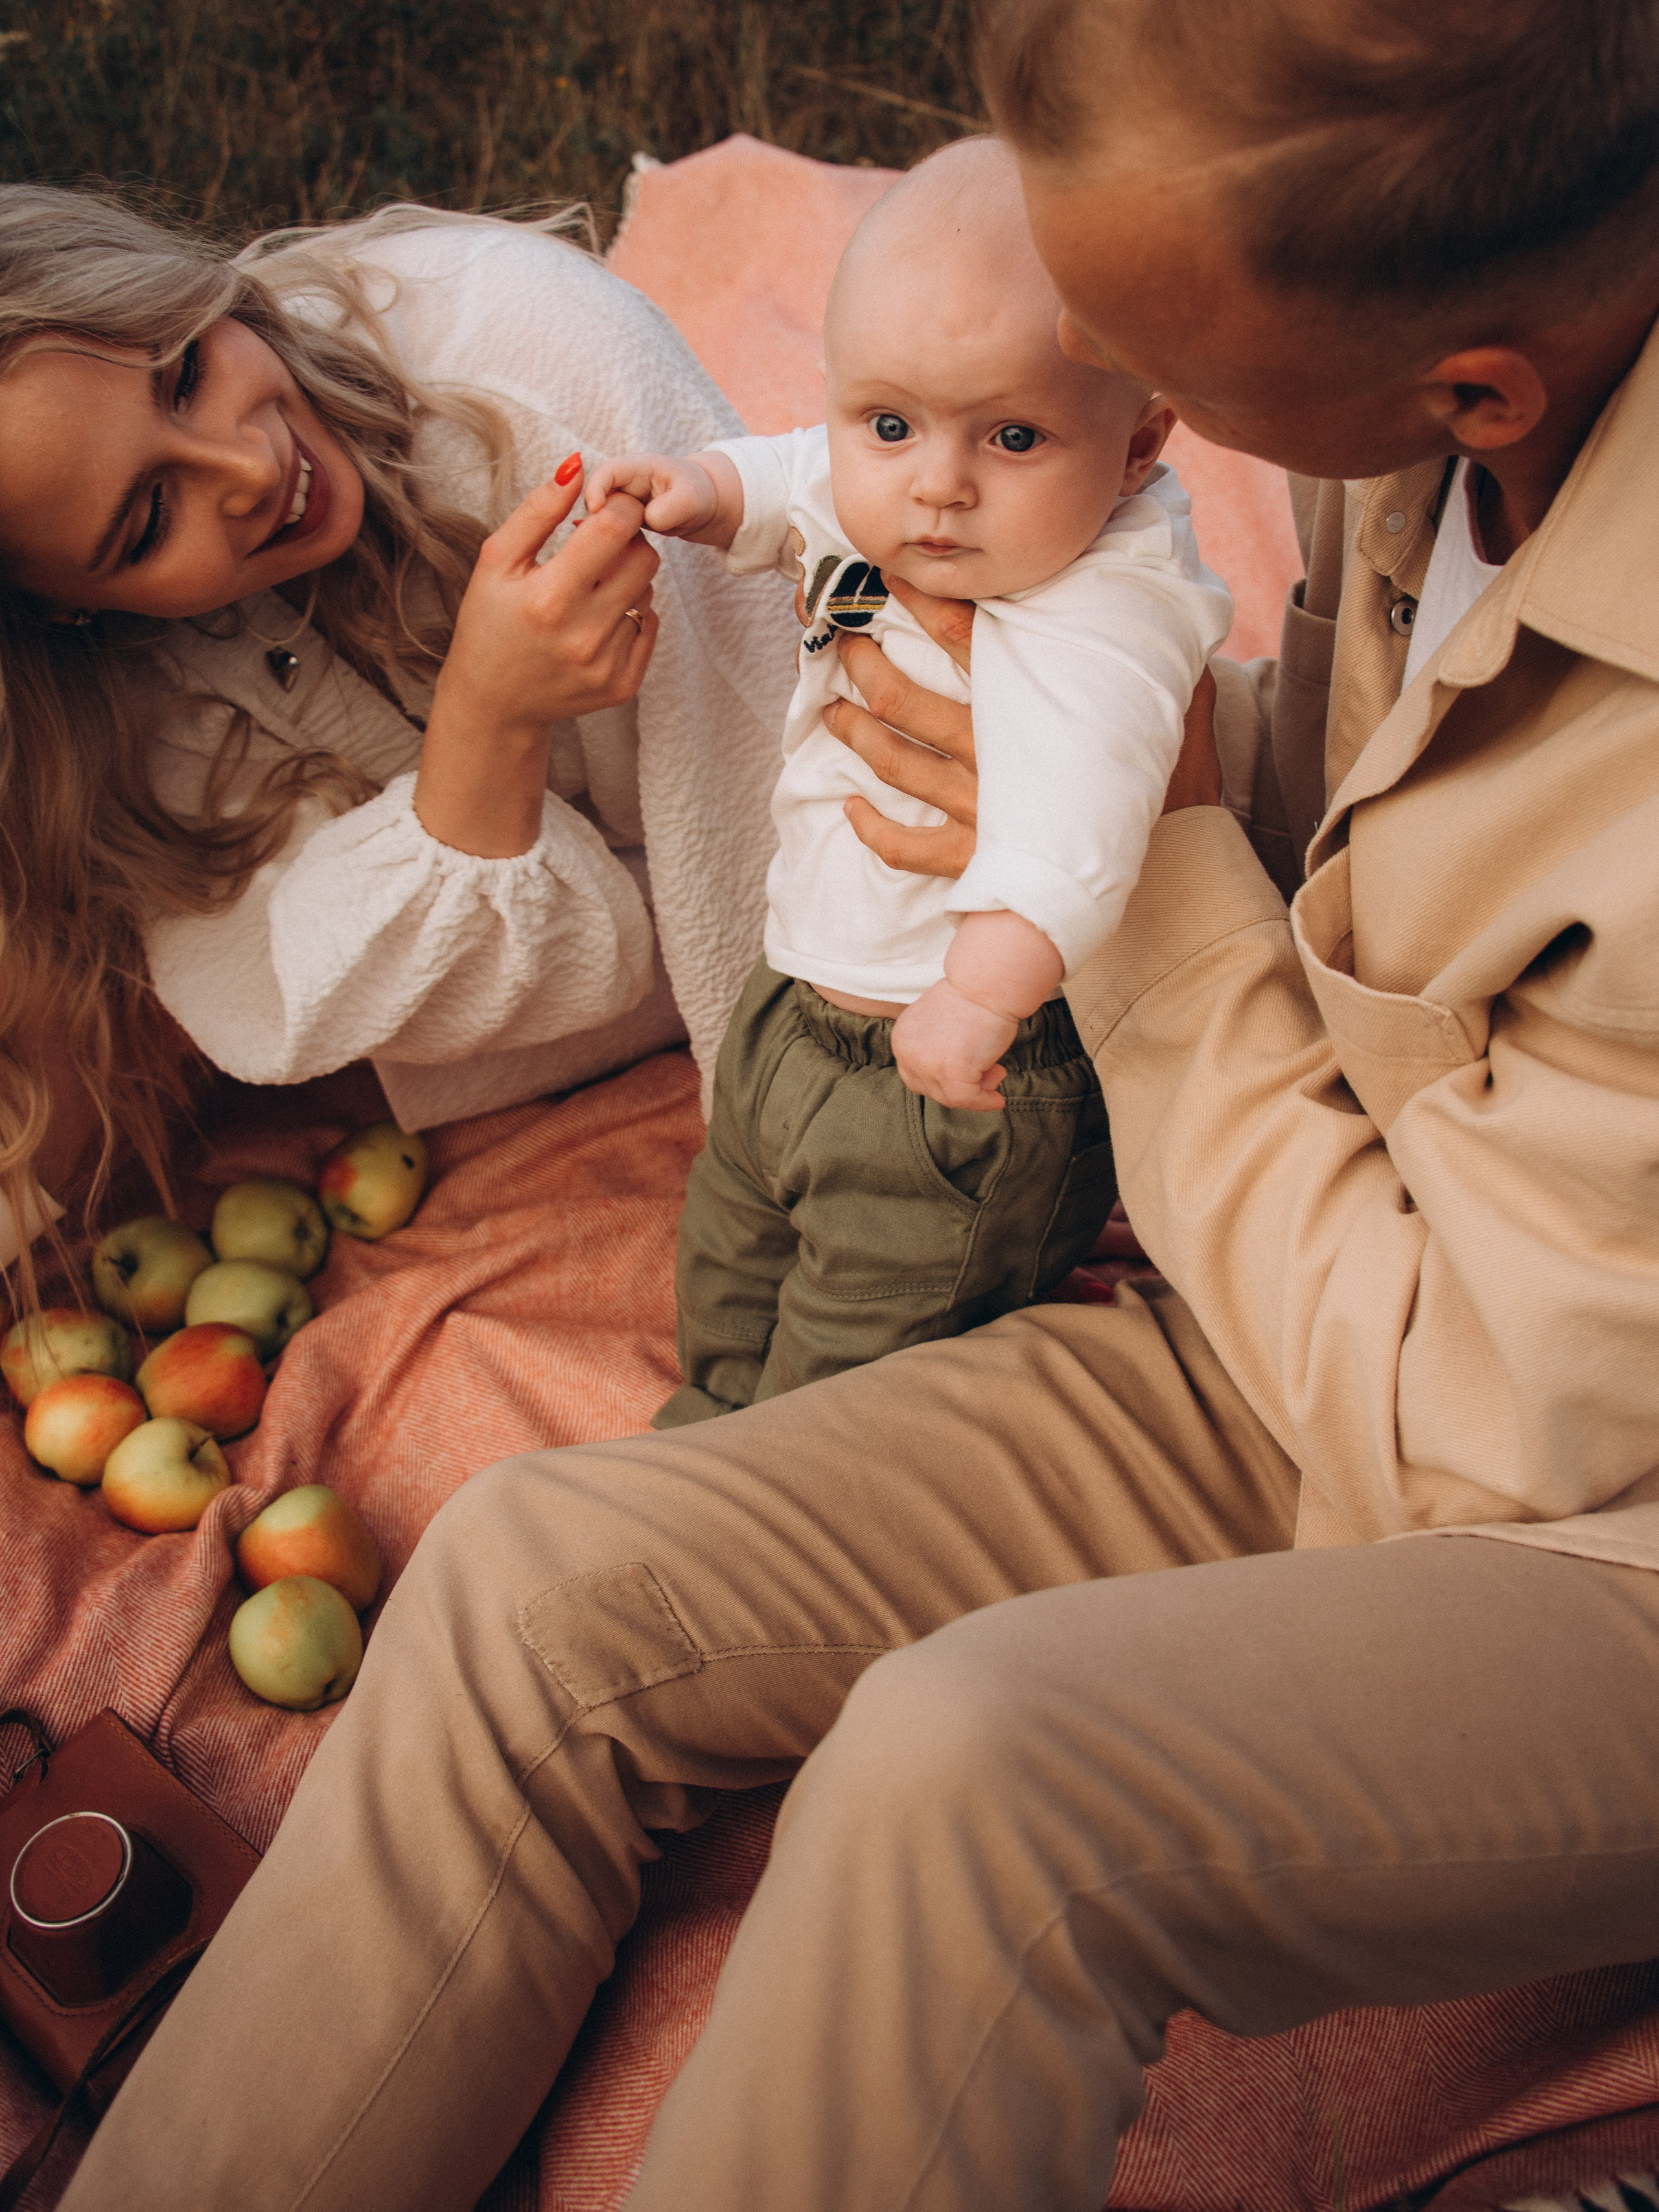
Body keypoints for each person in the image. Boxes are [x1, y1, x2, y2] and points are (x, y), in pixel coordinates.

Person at [57, 0, 1659, 2206]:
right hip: (1316, 1274)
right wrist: (1133, 758)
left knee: (976, 1779)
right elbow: (1395, 800)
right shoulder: (1430, 387)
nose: (1060, 375)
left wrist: (1137, 871)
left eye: (1119, 339)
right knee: (538, 1580)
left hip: (1566, 1497)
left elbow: (1482, 1428)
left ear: (1468, 382)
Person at [0, 187, 796, 1298]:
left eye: (185, 371)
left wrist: (788, 1201)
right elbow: (298, 977)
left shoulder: (527, 358)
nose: (247, 470)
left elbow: (778, 796)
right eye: (148, 521)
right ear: (72, 609)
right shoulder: (123, 706)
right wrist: (490, 725)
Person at [591, 137, 1231, 1426]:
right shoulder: (897, 484)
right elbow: (798, 475)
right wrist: (704, 489)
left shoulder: (1100, 606)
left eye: (1011, 434)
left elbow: (1077, 826)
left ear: (1138, 445)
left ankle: (750, 1516)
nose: (935, 485)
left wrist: (977, 998)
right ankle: (700, 1431)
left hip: (946, 1083)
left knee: (850, 1380)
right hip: (795, 1009)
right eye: (889, 421)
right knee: (726, 1269)